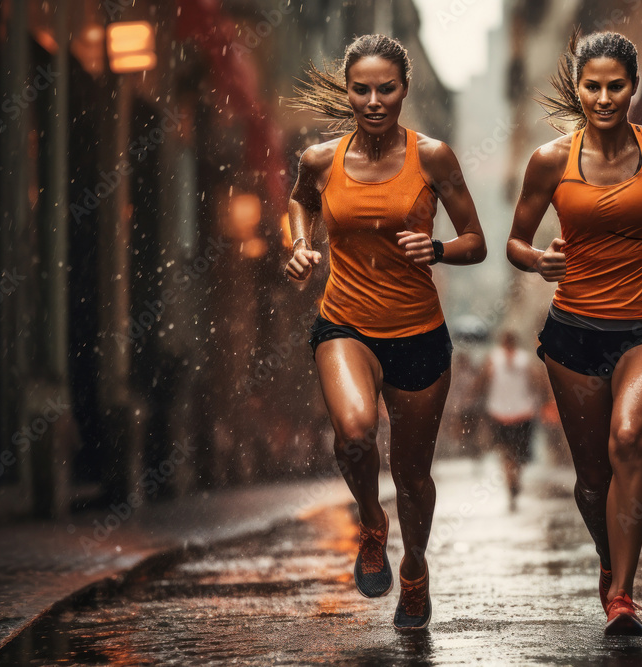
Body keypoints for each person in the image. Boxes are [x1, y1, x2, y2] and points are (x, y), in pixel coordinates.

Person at [506, 31, 642, 635]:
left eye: (615, 86)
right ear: (577, 88)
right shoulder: (550, 160)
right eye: (592, 86)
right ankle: (609, 557)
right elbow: (516, 240)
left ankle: (622, 595)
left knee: (627, 439)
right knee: (593, 479)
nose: (603, 98)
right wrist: (535, 261)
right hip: (573, 331)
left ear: (633, 87)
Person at [286, 34, 487, 631]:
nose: (374, 100)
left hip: (419, 334)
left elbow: (475, 242)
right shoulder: (320, 161)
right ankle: (372, 524)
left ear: (404, 90)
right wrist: (299, 244)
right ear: (347, 92)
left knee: (413, 475)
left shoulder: (434, 157)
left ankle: (416, 570)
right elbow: (299, 204)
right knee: (353, 435)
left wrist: (440, 248)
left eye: (386, 88)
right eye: (361, 89)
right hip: (345, 321)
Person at [481, 331, 541, 510]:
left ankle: (512, 480)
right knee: (515, 453)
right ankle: (513, 481)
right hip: (518, 412)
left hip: (505, 412)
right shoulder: (522, 359)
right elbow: (535, 381)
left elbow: (484, 381)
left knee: (509, 453)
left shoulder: (496, 359)